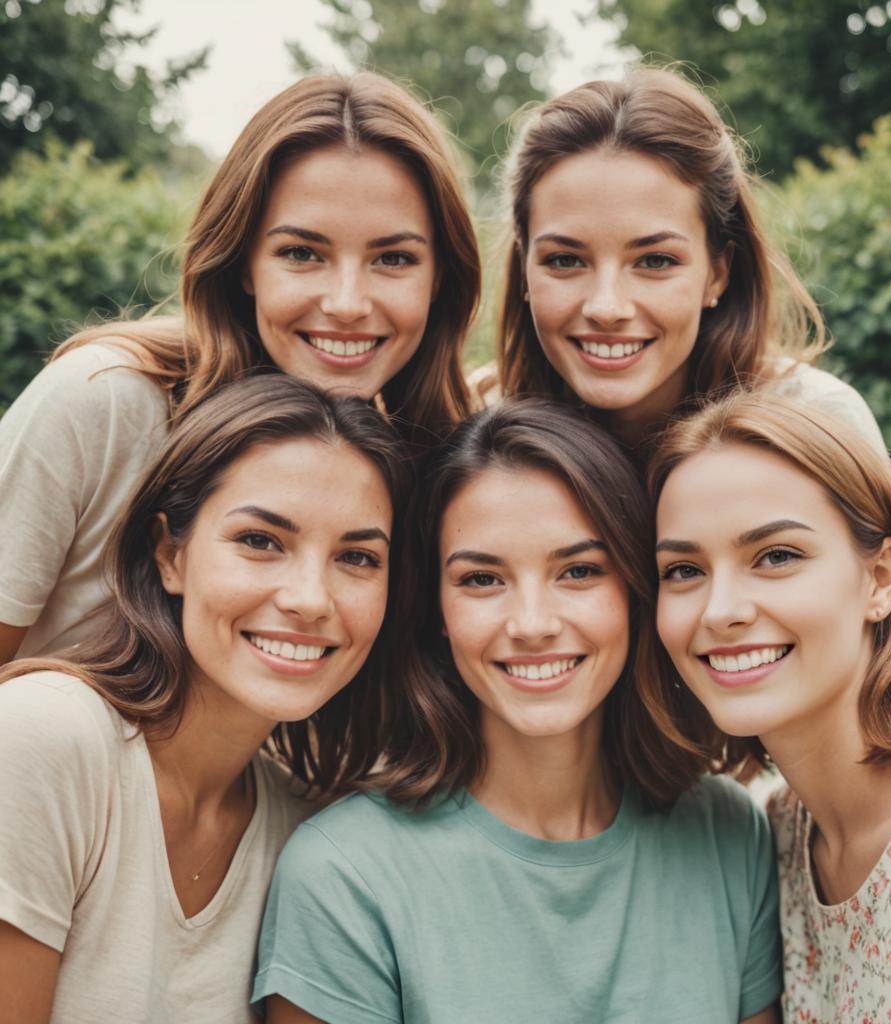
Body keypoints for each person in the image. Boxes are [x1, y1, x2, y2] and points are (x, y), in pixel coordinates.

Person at [255, 399, 782, 1024]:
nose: (532, 625)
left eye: (579, 571)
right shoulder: (343, 876)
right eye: (482, 579)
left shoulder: (728, 834)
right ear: (438, 614)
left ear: (638, 592)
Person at [0, 70, 479, 664]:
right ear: (243, 263)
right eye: (302, 253)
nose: (348, 303)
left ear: (441, 281)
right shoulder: (105, 401)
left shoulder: (417, 466)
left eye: (394, 258)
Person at [0, 375, 409, 1024]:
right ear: (171, 555)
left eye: (357, 557)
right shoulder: (41, 740)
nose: (310, 598)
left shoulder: (313, 835)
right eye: (260, 541)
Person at [650, 390, 891, 1023]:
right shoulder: (785, 830)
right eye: (684, 570)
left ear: (880, 579)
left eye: (776, 557)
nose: (720, 611)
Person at [494, 68, 882, 451]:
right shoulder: (476, 425)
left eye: (656, 261)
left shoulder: (816, 425)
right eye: (565, 260)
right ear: (524, 266)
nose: (606, 308)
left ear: (718, 273)